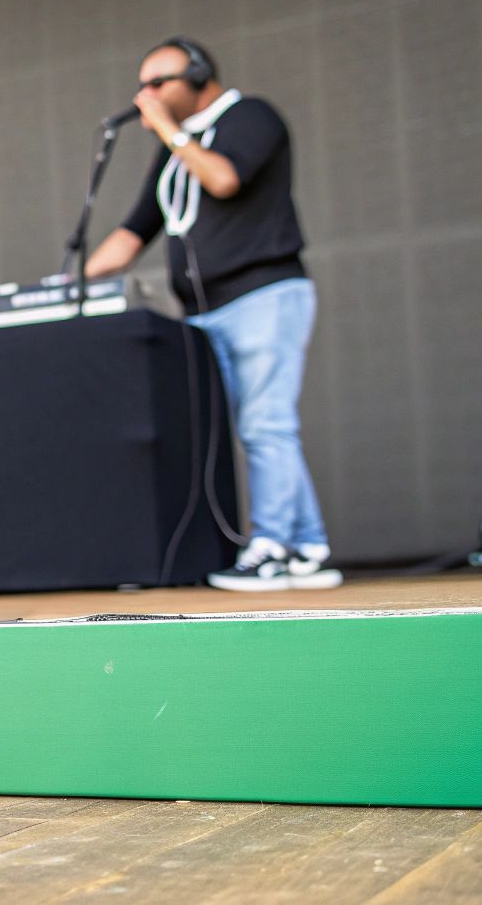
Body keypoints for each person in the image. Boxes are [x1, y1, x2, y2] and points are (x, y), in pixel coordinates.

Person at [85, 37, 336, 592]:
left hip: (263, 296)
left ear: (198, 76)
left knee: (265, 424)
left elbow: (223, 179)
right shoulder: (176, 151)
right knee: (250, 430)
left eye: (158, 82)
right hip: (202, 312)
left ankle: (270, 546)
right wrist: (68, 281)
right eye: (142, 84)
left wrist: (173, 135)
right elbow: (134, 232)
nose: (145, 94)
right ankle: (309, 546)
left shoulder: (251, 117)